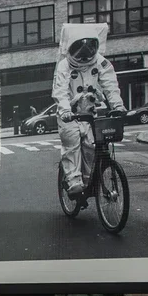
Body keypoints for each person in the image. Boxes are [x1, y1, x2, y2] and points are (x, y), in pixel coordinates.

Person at [52, 23, 125, 198]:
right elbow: (60, 90)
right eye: (80, 50)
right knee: (72, 143)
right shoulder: (64, 65)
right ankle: (73, 181)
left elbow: (110, 84)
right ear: (72, 47)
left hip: (90, 113)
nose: (84, 57)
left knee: (91, 147)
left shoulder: (100, 62)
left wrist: (117, 105)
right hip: (69, 114)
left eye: (89, 50)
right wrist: (64, 110)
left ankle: (87, 181)